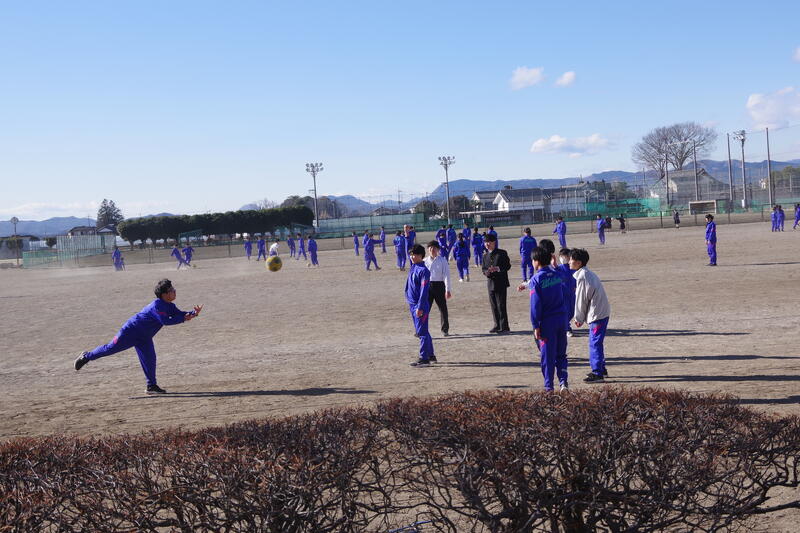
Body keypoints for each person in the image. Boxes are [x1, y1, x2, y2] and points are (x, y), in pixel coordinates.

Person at [73, 279, 203, 394]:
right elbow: (165, 321)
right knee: (110, 348)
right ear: (164, 294)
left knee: (150, 359)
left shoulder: (170, 305)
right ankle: (86, 356)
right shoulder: (156, 306)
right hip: (130, 332)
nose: (174, 291)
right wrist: (184, 318)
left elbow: (180, 314)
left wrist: (193, 313)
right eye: (172, 290)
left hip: (145, 337)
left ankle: (151, 386)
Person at [517, 247, 568, 392]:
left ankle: (549, 387)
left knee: (547, 356)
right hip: (561, 318)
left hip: (547, 322)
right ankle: (563, 382)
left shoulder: (536, 279)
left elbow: (535, 305)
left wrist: (535, 325)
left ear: (536, 261)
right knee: (561, 354)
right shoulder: (557, 274)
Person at [570, 248, 611, 384]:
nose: (569, 261)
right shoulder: (586, 273)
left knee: (594, 343)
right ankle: (601, 368)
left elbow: (581, 300)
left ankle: (597, 373)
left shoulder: (583, 276)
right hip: (601, 312)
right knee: (597, 342)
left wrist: (578, 318)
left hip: (597, 314)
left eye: (571, 259)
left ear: (579, 262)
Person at [405, 244, 435, 366]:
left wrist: (420, 307)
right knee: (422, 330)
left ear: (421, 256)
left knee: (422, 332)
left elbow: (424, 291)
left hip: (419, 306)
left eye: (415, 255)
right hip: (412, 304)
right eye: (411, 254)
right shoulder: (413, 266)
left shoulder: (424, 271)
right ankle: (431, 355)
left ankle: (424, 358)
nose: (412, 257)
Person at [481, 233, 511, 334]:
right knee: (493, 306)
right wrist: (487, 272)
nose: (487, 244)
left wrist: (497, 268)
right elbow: (483, 269)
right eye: (485, 242)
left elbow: (507, 266)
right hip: (491, 284)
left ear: (494, 242)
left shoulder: (502, 253)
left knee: (501, 305)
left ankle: (504, 326)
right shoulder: (485, 255)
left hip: (501, 282)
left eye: (489, 242)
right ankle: (497, 325)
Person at [425, 241, 452, 337]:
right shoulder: (424, 261)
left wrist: (447, 289)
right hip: (427, 286)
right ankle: (422, 330)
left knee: (443, 309)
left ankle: (445, 329)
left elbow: (446, 275)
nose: (432, 250)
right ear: (428, 249)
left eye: (434, 248)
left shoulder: (442, 260)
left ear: (438, 250)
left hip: (439, 286)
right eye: (430, 248)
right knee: (425, 309)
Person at [556, 248, 576, 338]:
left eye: (565, 256)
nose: (563, 258)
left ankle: (563, 325)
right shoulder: (558, 269)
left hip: (573, 295)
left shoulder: (573, 268)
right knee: (565, 312)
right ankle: (567, 328)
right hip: (563, 295)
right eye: (561, 256)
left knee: (572, 312)